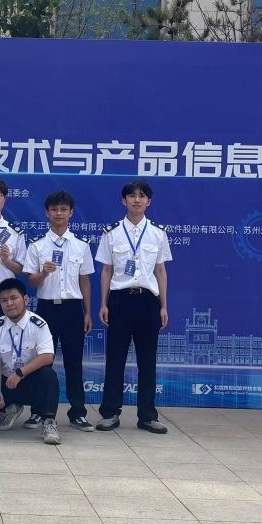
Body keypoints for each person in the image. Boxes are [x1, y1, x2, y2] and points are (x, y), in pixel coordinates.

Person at [94, 179, 172, 434]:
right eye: (132, 196)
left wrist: (163, 306)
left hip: (148, 300)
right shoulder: (112, 232)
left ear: (149, 201)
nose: (137, 200)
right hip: (120, 300)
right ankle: (110, 413)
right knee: (115, 358)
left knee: (147, 360)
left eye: (142, 196)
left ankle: (147, 415)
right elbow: (106, 270)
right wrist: (103, 303)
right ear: (123, 200)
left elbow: (160, 271)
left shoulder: (158, 233)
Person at [19, 191, 96, 431]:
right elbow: (31, 282)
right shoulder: (37, 245)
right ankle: (38, 412)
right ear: (47, 213)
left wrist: (87, 312)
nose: (59, 214)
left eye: (63, 209)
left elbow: (85, 281)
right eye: (54, 210)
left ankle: (78, 413)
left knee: (74, 362)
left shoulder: (81, 245)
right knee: (41, 362)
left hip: (73, 309)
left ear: (71, 213)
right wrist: (43, 273)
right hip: (46, 309)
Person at [0, 279, 62, 445]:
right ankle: (5, 412)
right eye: (4, 300)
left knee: (49, 375)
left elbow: (47, 356)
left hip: (28, 381)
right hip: (6, 383)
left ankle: (49, 423)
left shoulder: (38, 324)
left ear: (25, 299)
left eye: (14, 298)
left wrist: (20, 373)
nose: (9, 303)